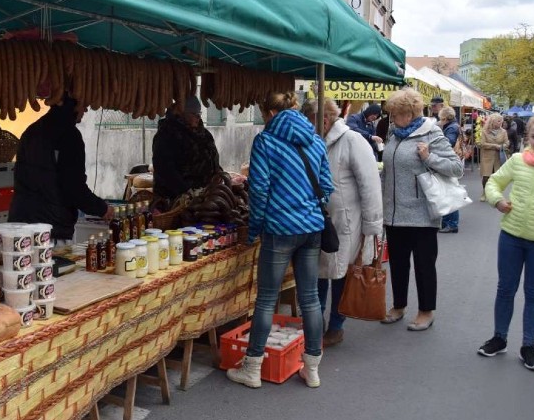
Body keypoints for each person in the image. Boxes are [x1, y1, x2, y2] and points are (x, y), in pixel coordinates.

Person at [227, 92, 332, 389]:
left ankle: (252, 368)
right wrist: (307, 208)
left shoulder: (266, 142)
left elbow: (258, 190)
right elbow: (326, 186)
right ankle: (311, 369)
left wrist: (254, 229)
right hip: (312, 228)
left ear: (271, 113)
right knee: (309, 298)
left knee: (266, 299)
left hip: (279, 229)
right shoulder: (315, 140)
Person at [477, 113, 534, 371]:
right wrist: (497, 201)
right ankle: (499, 338)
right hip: (511, 238)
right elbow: (494, 181)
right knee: (505, 289)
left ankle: (528, 346)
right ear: (528, 138)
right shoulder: (517, 161)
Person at [381, 89, 463, 331]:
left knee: (424, 265)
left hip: (422, 214)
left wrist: (429, 158)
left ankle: (426, 311)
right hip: (394, 213)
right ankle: (399, 305)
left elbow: (456, 167)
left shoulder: (431, 133)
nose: (391, 118)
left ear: (409, 114)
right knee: (397, 263)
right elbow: (389, 169)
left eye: (395, 114)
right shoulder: (394, 134)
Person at [302, 98, 383, 347]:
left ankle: (336, 326)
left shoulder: (352, 141)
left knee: (340, 274)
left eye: (309, 122)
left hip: (347, 222)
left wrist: (372, 226)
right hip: (319, 220)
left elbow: (370, 186)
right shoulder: (314, 141)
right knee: (318, 273)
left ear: (323, 120)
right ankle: (317, 324)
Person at [9, 95, 113, 242]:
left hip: (20, 226)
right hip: (49, 231)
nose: (86, 110)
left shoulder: (31, 131)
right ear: (74, 105)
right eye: (84, 106)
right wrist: (102, 209)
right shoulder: (69, 136)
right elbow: (74, 187)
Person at [152, 95, 221, 200]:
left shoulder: (204, 134)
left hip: (205, 197)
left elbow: (212, 158)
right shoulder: (167, 134)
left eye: (199, 114)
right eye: (194, 114)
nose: (199, 117)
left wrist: (219, 174)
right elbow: (164, 169)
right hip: (177, 200)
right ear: (181, 113)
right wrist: (186, 191)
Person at [438, 107, 462, 234]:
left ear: (445, 117)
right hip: (451, 161)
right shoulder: (453, 126)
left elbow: (449, 143)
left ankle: (451, 223)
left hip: (449, 161)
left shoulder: (451, 128)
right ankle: (449, 222)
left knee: (448, 193)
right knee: (448, 192)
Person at [478, 113, 508, 202]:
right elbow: (482, 144)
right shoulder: (484, 131)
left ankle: (496, 193)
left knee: (497, 176)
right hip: (487, 157)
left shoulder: (503, 132)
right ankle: (484, 192)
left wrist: (503, 146)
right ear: (492, 121)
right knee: (486, 176)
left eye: (501, 121)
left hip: (499, 157)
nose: (500, 123)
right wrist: (495, 146)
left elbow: (507, 142)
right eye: (498, 121)